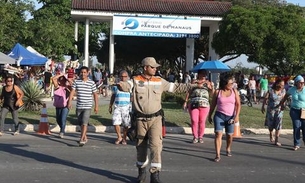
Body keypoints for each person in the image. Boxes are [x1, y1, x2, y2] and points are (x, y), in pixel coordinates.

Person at [117, 57, 193, 183]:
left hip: (156, 119)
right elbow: (126, 85)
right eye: (153, 67)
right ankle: (141, 173)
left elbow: (176, 87)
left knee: (156, 147)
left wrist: (193, 85)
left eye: (156, 67)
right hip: (140, 120)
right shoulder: (136, 80)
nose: (155, 69)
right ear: (145, 67)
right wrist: (121, 85)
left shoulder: (159, 81)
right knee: (140, 147)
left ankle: (155, 175)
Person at [208, 73, 241, 162]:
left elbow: (238, 104)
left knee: (229, 135)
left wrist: (236, 116)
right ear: (224, 83)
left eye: (232, 83)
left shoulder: (234, 91)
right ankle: (217, 154)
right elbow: (213, 105)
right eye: (230, 83)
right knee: (218, 134)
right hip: (219, 116)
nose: (232, 85)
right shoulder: (218, 92)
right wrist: (209, 115)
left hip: (230, 117)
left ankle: (228, 148)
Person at [67, 66, 99, 146]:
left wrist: (96, 106)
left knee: (85, 122)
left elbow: (95, 95)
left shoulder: (91, 83)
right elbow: (72, 92)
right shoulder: (76, 82)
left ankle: (81, 139)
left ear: (88, 73)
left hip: (87, 106)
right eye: (82, 72)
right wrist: (69, 102)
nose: (83, 74)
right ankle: (84, 136)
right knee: (81, 123)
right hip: (79, 106)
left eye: (85, 72)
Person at [183, 69, 214, 143]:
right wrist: (185, 101)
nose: (203, 75)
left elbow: (212, 94)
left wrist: (211, 88)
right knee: (194, 120)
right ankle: (195, 136)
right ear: (198, 74)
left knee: (202, 121)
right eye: (202, 74)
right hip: (194, 103)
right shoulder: (194, 82)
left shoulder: (208, 83)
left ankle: (200, 136)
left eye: (205, 74)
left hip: (205, 104)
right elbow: (189, 92)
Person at [278, 75, 305, 151]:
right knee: (296, 127)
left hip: (304, 111)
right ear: (296, 83)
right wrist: (281, 104)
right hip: (294, 110)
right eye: (300, 82)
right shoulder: (292, 89)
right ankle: (296, 144)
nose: (302, 84)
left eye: (303, 82)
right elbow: (285, 96)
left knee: (304, 127)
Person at [109, 70, 132, 145]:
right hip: (117, 106)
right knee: (115, 122)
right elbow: (113, 95)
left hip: (126, 106)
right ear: (119, 77)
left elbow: (133, 96)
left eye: (125, 76)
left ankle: (124, 138)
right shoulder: (116, 86)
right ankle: (119, 136)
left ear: (127, 77)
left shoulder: (130, 85)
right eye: (122, 76)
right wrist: (110, 105)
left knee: (126, 124)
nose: (123, 78)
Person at [261, 79, 285, 146]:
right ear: (277, 84)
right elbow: (265, 98)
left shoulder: (283, 91)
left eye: (283, 85)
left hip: (279, 110)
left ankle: (276, 140)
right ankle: (271, 134)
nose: (283, 86)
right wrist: (263, 106)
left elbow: (284, 99)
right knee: (270, 124)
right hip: (271, 110)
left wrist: (283, 105)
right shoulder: (271, 90)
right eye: (281, 85)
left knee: (278, 125)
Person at [52, 74, 71, 138]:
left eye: (63, 80)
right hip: (58, 106)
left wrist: (68, 79)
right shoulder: (57, 87)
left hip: (65, 106)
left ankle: (62, 131)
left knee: (63, 119)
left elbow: (73, 86)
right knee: (58, 119)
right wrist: (61, 74)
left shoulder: (68, 88)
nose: (61, 81)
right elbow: (53, 79)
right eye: (60, 80)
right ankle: (62, 128)